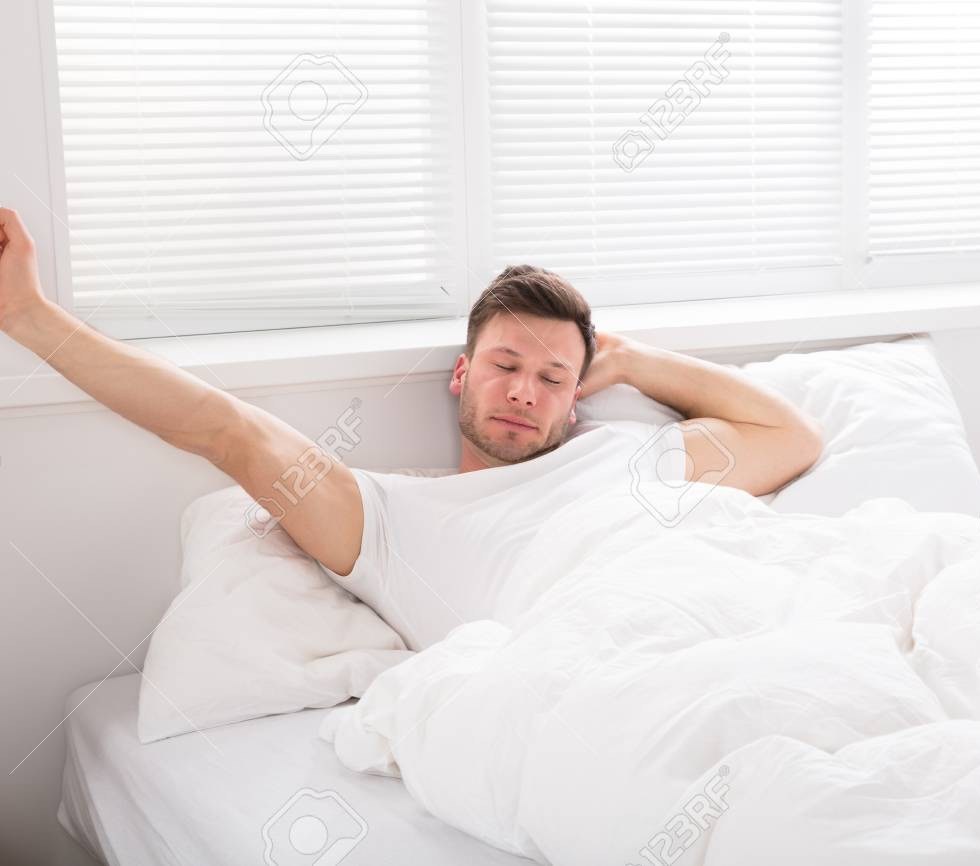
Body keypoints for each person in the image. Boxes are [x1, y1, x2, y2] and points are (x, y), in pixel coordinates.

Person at [0, 207, 822, 649]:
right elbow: (225, 430)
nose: (524, 392)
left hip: (735, 626)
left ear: (577, 398)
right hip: (594, 665)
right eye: (504, 364)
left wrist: (634, 360)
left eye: (551, 379)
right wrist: (28, 316)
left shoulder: (625, 455)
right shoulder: (388, 518)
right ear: (461, 374)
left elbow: (791, 438)